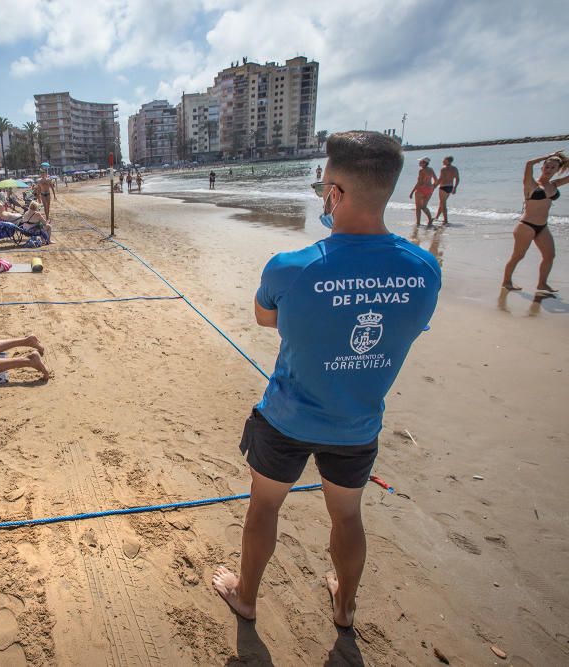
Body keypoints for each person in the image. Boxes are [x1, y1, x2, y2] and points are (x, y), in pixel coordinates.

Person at [211, 131, 441, 629]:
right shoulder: (425, 270)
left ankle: (246, 597)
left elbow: (265, 318)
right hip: (356, 423)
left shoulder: (291, 267)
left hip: (289, 416)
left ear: (335, 193)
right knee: (347, 516)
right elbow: (406, 328)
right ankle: (345, 606)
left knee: (265, 507)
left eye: (322, 190)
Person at [501, 151, 569, 294]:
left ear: (557, 170)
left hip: (543, 227)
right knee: (518, 256)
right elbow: (529, 164)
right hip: (526, 226)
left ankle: (542, 284)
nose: (549, 170)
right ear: (542, 166)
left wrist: (562, 161)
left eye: (553, 168)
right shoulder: (531, 183)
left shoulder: (555, 184)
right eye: (547, 166)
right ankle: (506, 282)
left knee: (549, 255)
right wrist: (547, 156)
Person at [408, 156, 437, 226]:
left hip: (421, 189)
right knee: (424, 207)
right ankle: (430, 220)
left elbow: (419, 183)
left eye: (420, 162)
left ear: (424, 163)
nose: (419, 163)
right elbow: (436, 180)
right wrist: (433, 187)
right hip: (429, 189)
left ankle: (418, 223)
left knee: (418, 208)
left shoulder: (421, 171)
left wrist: (412, 192)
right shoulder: (431, 169)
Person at [433, 157, 459, 224]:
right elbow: (457, 179)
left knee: (443, 204)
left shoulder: (443, 168)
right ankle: (437, 217)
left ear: (447, 161)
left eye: (444, 160)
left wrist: (434, 186)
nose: (443, 161)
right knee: (442, 203)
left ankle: (445, 220)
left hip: (443, 187)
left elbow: (441, 179)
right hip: (450, 187)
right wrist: (455, 188)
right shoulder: (455, 168)